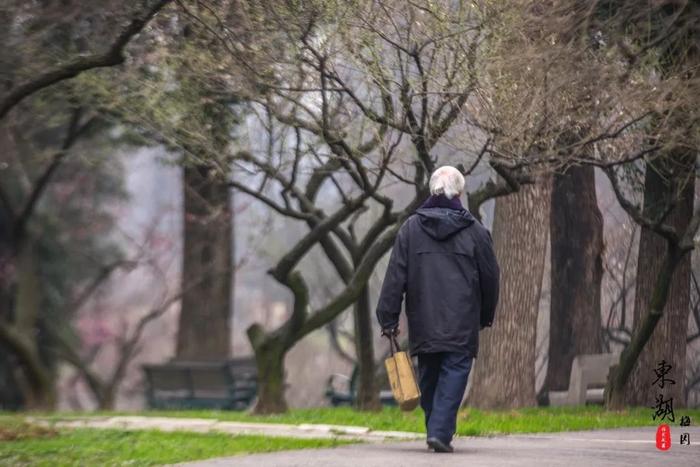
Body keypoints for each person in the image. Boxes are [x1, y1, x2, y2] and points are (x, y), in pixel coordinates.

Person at [375, 165, 500, 453]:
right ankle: (440, 431)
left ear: (432, 190)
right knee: (454, 373)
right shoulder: (476, 232)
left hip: (424, 319)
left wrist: (388, 317)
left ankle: (437, 429)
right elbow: (490, 278)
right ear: (460, 193)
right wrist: (485, 315)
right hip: (462, 320)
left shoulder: (410, 229)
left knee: (429, 376)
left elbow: (396, 275)